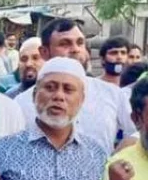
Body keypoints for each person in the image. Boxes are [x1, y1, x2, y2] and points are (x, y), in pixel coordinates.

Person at [0, 58, 106, 180]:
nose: (58, 96)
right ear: (34, 95)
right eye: (50, 87)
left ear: (82, 99)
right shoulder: (3, 150)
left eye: (68, 90)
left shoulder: (97, 154)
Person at [15, 18, 135, 150]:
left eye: (80, 43)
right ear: (44, 52)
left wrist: (116, 160)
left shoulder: (112, 94)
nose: (75, 49)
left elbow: (136, 133)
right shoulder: (22, 103)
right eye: (65, 44)